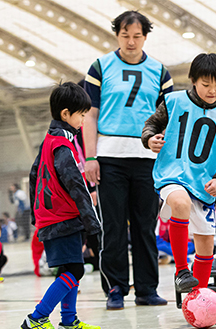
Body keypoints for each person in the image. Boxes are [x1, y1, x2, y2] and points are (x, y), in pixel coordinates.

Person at [82, 10, 172, 309]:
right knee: (115, 226)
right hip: (109, 158)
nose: (131, 42)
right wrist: (91, 156)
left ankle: (147, 289)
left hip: (147, 158)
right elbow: (90, 115)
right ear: (116, 35)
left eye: (137, 36)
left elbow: (167, 118)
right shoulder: (100, 67)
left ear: (145, 36)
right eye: (125, 35)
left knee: (146, 226)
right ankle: (116, 289)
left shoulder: (160, 72)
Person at [141, 53, 216, 295]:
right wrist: (149, 139)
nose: (212, 90)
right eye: (206, 84)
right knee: (180, 202)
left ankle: (200, 296)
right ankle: (182, 271)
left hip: (204, 185)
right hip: (172, 174)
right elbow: (151, 125)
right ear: (193, 80)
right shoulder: (174, 101)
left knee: (206, 243)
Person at [21, 83, 103, 329]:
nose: (83, 120)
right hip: (62, 219)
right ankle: (37, 317)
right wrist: (94, 225)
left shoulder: (51, 140)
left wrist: (37, 215)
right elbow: (76, 186)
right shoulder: (62, 146)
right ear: (66, 114)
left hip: (54, 218)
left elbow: (35, 175)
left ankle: (69, 321)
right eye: (81, 114)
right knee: (73, 272)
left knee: (72, 267)